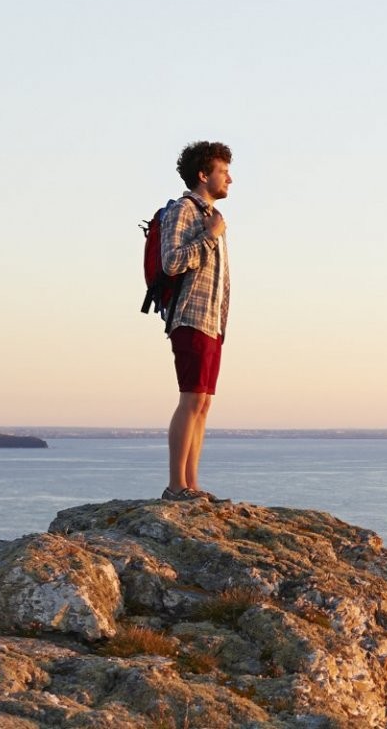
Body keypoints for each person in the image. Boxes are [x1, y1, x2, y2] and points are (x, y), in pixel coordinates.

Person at [160, 140, 233, 503]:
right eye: (223, 171)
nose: (230, 179)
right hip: (190, 317)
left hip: (210, 322)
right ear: (203, 175)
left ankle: (191, 484)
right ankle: (176, 486)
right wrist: (209, 237)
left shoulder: (212, 216)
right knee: (191, 400)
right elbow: (171, 262)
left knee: (202, 403)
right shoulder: (184, 211)